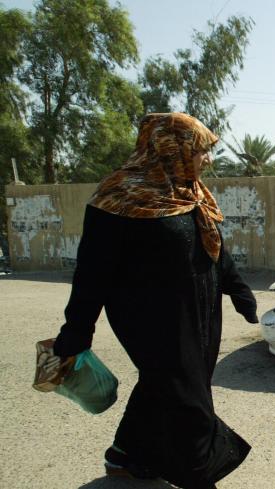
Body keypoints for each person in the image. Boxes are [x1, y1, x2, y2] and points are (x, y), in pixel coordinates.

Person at [51, 113, 258, 488]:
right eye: (199, 151)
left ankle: (124, 454)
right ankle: (200, 476)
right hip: (151, 319)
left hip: (200, 314)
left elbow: (213, 247)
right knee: (188, 400)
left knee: (162, 386)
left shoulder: (188, 189)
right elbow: (92, 272)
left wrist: (238, 290)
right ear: (169, 149)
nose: (206, 160)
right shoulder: (117, 198)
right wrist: (76, 331)